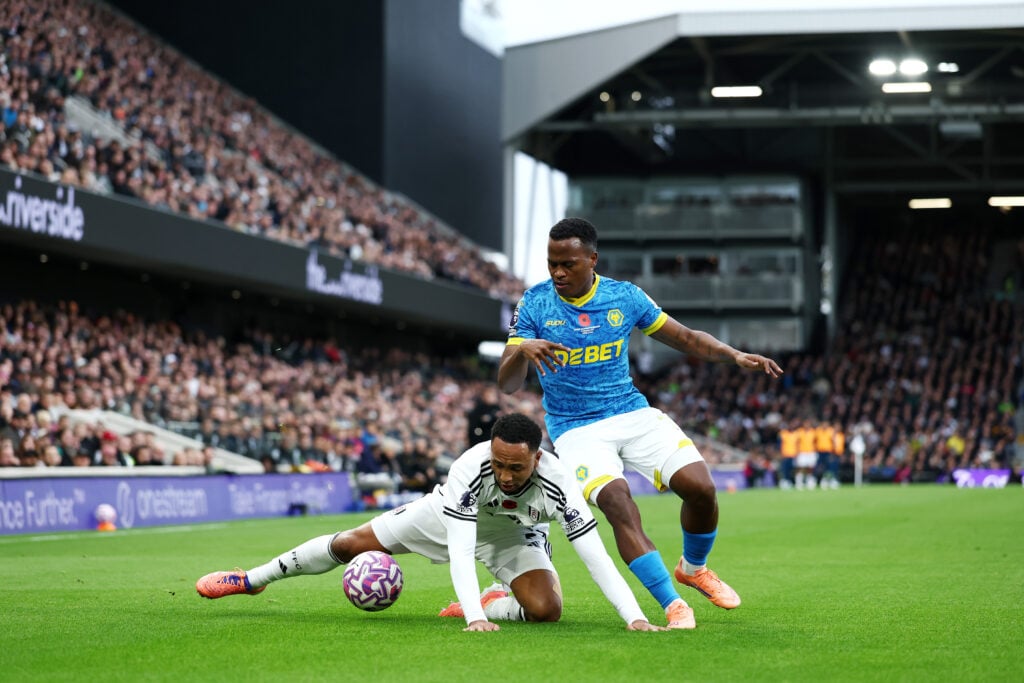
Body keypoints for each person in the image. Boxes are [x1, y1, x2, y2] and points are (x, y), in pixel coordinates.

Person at [498, 217, 783, 629]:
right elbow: (506, 386)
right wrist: (522, 349)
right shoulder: (535, 303)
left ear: (592, 259)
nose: (558, 272)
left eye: (568, 264)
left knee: (701, 488)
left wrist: (733, 354)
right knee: (618, 503)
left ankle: (694, 568)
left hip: (632, 412)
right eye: (551, 263)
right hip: (576, 429)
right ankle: (672, 604)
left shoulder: (623, 297)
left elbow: (683, 337)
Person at [196, 413, 665, 633]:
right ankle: (253, 579)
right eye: (498, 463)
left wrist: (636, 618)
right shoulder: (469, 467)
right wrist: (477, 625)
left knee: (546, 611)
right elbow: (460, 550)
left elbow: (597, 558)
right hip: (447, 517)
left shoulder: (559, 483)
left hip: (516, 535)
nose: (504, 475)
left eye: (515, 468)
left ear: (537, 458)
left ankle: (488, 601)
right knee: (351, 544)